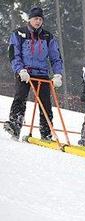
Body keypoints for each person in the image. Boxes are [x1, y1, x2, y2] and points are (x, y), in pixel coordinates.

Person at [4, 6, 63, 141]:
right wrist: (20, 69)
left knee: (46, 104)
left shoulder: (48, 37)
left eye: (40, 19)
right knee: (20, 97)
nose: (38, 22)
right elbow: (14, 54)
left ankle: (46, 133)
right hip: (25, 73)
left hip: (42, 74)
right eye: (35, 19)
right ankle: (14, 126)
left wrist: (58, 74)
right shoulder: (19, 34)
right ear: (30, 19)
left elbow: (56, 57)